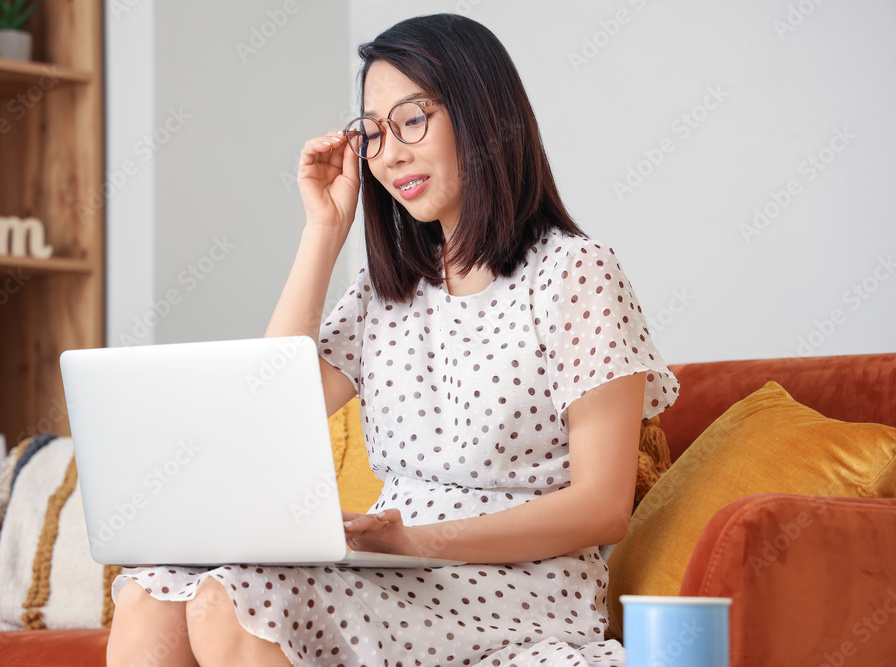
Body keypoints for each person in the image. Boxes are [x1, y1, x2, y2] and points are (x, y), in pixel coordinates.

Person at [106, 13, 679, 667]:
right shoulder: (388, 291)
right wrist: (322, 232)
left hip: (517, 584)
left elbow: (603, 509)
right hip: (390, 569)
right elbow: (264, 412)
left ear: (484, 113)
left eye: (413, 121)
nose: (391, 154)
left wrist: (420, 542)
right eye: (373, 133)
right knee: (150, 593)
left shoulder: (576, 272)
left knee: (229, 598)